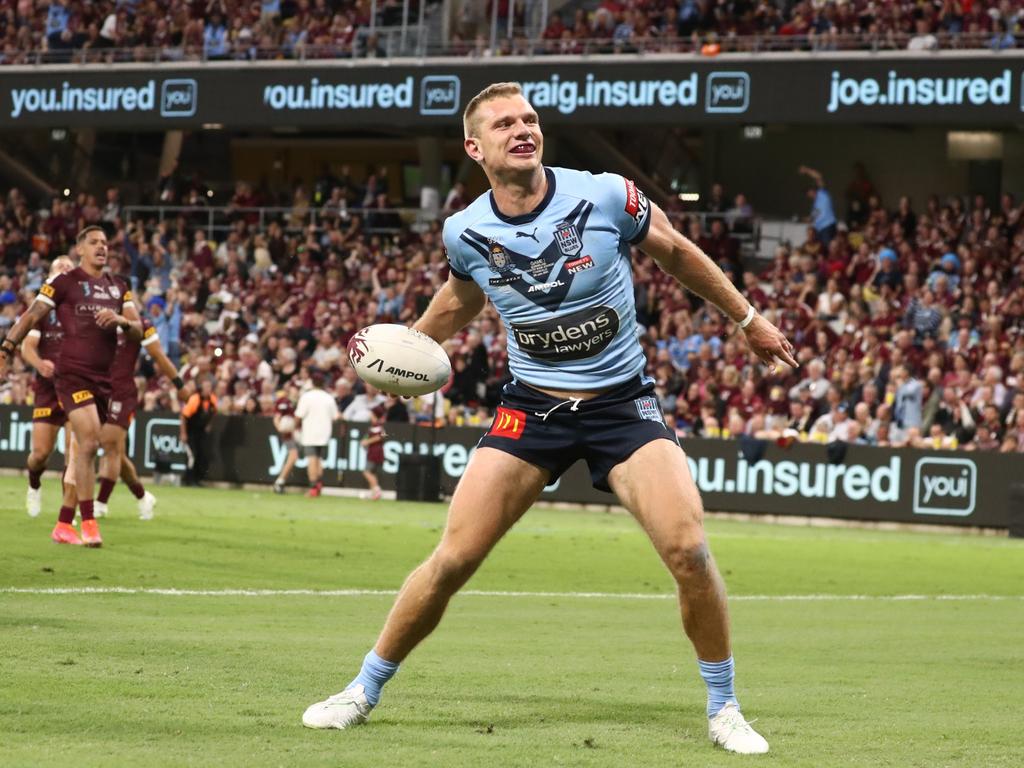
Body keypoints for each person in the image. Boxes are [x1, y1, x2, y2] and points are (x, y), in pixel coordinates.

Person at [302, 82, 796, 754]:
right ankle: (362, 689)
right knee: (453, 559)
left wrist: (747, 318)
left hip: (623, 406)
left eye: (529, 118)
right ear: (475, 147)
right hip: (531, 410)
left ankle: (724, 705)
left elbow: (676, 251)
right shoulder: (465, 231)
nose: (522, 129)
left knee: (689, 549)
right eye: (505, 123)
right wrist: (408, 350)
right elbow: (461, 296)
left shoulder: (604, 195)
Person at [0, 226, 143, 547]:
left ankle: (64, 524)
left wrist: (121, 321)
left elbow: (138, 329)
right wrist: (7, 348)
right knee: (89, 443)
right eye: (94, 243)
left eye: (105, 243)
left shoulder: (120, 287)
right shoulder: (64, 282)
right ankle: (89, 523)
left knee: (89, 447)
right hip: (71, 376)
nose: (101, 247)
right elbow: (32, 314)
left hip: (103, 382)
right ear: (80, 249)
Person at [94, 316, 187, 519]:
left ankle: (100, 504)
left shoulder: (140, 324)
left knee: (109, 446)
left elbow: (159, 356)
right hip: (97, 390)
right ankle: (144, 497)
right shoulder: (96, 315)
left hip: (121, 393)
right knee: (117, 454)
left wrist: (179, 384)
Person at [21, 255, 74, 520]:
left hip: (76, 387)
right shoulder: (42, 310)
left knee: (74, 456)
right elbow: (27, 347)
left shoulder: (81, 308)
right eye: (59, 266)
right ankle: (34, 484)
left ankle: (68, 511)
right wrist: (40, 364)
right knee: (40, 454)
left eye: (69, 266)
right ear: (50, 277)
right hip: (47, 389)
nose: (65, 268)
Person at [295, 371, 340, 498]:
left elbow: (299, 415)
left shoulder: (306, 396)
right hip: (325, 433)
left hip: (310, 432)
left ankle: (313, 487)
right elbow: (336, 417)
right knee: (319, 460)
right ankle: (319, 485)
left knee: (312, 460)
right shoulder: (328, 397)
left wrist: (294, 427)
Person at [180, 377, 218, 486]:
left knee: (201, 455)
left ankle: (197, 479)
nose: (208, 389)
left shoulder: (212, 399)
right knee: (192, 456)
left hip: (201, 432)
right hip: (191, 431)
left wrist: (209, 424)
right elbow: (183, 416)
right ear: (201, 388)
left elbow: (215, 412)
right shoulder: (195, 399)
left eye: (210, 387)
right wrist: (183, 433)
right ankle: (188, 479)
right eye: (206, 387)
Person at [798, 165, 837, 249]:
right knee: (820, 249)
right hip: (819, 230)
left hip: (828, 226)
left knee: (828, 247)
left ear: (813, 189)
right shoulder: (815, 206)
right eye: (807, 193)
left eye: (809, 191)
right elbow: (811, 218)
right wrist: (799, 219)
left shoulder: (823, 193)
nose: (808, 194)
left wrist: (806, 170)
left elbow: (818, 176)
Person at [360, 405, 386, 500]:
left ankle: (377, 489)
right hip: (375, 451)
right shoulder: (375, 426)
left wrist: (367, 441)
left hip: (374, 452)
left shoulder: (378, 426)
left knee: (366, 472)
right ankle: (374, 494)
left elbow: (382, 436)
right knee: (372, 473)